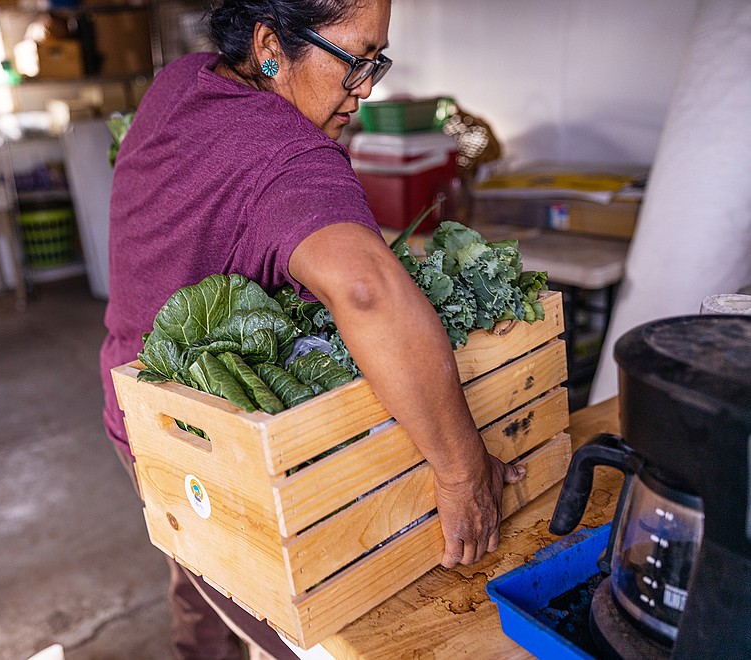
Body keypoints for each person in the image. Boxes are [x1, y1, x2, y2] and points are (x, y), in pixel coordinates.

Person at [99, 0, 525, 656]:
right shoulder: (287, 151)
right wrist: (464, 472)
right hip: (216, 454)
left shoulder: (183, 80)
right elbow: (366, 290)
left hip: (147, 422)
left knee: (197, 575)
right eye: (356, 61)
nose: (367, 89)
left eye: (378, 62)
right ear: (270, 45)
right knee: (303, 632)